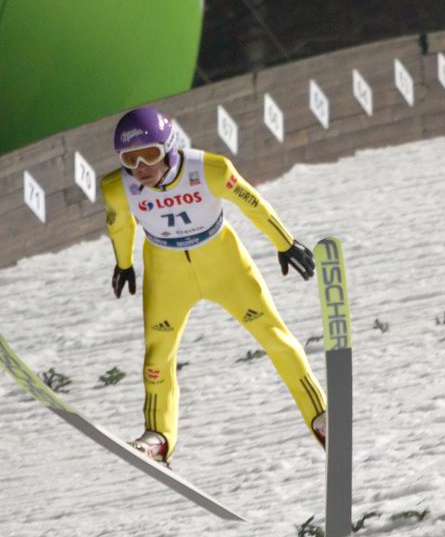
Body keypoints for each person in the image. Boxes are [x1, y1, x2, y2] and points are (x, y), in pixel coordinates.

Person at [100, 106, 327, 464]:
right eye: (130, 159)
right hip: (166, 272)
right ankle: (158, 436)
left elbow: (254, 204)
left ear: (169, 148)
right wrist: (124, 264)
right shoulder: (117, 187)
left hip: (224, 265)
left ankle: (319, 416)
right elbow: (120, 226)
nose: (140, 168)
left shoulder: (209, 169)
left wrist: (285, 243)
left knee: (274, 336)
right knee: (158, 358)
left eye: (149, 155)